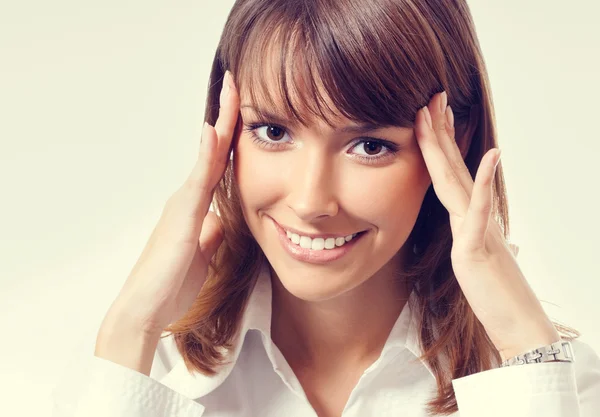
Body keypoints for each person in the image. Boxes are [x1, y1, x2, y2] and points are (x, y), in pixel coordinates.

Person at [52, 0, 600, 416]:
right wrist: (130, 329)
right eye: (272, 131)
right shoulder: (141, 374)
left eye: (370, 146)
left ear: (453, 145)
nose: (312, 201)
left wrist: (524, 344)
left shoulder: (556, 387)